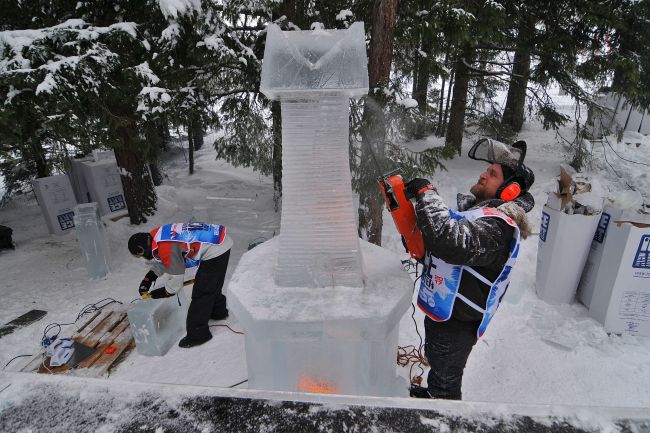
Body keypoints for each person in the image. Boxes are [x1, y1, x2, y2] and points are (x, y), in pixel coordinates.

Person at [405, 138, 535, 400]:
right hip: (447, 310)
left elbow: (450, 240)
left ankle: (442, 417)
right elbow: (444, 246)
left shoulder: (499, 225)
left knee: (446, 387)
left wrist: (427, 194)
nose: (483, 175)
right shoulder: (480, 214)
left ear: (509, 190)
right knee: (439, 368)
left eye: (492, 174)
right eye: (487, 170)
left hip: (459, 322)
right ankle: (432, 395)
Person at [128, 222, 233, 348]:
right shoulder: (156, 235)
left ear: (141, 249)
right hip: (219, 241)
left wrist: (160, 293)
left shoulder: (165, 247)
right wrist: (149, 277)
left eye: (139, 255)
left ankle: (198, 335)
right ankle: (218, 312)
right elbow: (168, 258)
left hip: (215, 249)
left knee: (202, 293)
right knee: (211, 284)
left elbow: (175, 284)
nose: (143, 258)